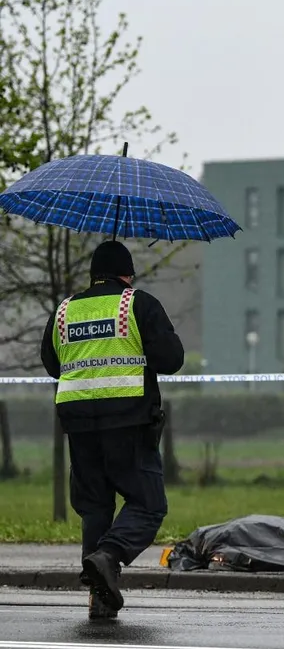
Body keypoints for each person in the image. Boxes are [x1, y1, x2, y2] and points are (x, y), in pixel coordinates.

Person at [40, 240, 185, 620]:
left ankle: (100, 600)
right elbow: (172, 360)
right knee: (148, 504)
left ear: (93, 275)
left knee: (95, 507)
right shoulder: (138, 304)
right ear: (128, 274)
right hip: (129, 421)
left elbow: (52, 364)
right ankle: (109, 555)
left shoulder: (64, 311)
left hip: (80, 426)